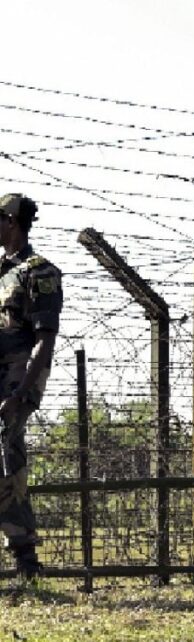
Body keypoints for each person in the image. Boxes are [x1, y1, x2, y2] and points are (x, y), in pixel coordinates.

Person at [0, 194, 62, 580]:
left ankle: (26, 560)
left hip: (16, 378)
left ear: (11, 221)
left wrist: (20, 392)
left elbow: (46, 337)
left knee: (6, 461)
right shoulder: (3, 271)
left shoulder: (38, 271)